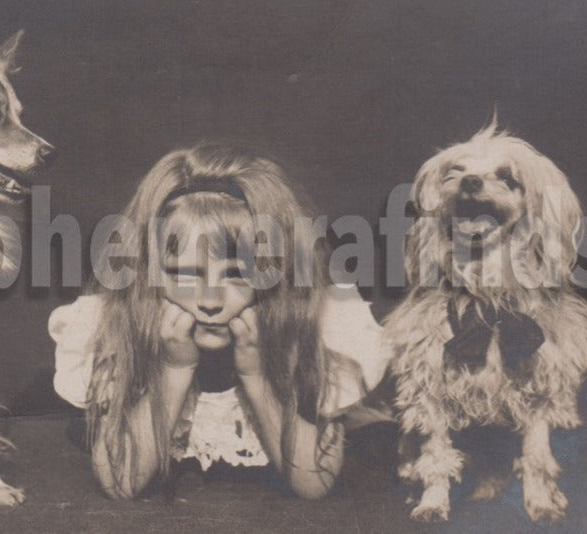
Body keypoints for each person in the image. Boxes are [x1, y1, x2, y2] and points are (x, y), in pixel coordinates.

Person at [49, 143, 389, 499]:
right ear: (147, 273)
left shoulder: (316, 324)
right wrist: (173, 369)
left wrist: (255, 374)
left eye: (238, 275)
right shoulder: (115, 326)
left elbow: (313, 483)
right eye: (184, 274)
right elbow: (121, 483)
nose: (210, 302)